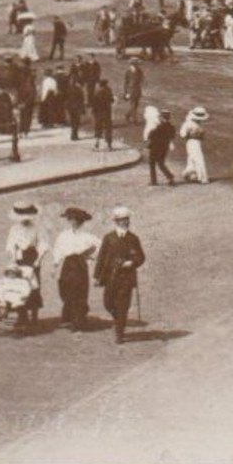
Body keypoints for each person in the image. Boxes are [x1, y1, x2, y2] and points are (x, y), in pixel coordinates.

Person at [94, 206, 146, 344]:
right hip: (111, 277)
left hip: (126, 278)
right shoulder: (109, 238)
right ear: (116, 221)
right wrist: (97, 276)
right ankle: (118, 320)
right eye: (122, 220)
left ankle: (119, 332)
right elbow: (101, 257)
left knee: (123, 305)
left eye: (127, 219)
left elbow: (141, 257)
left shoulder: (133, 238)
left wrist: (131, 263)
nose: (125, 222)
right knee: (108, 302)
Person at [52, 207, 99, 331]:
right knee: (65, 289)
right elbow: (58, 250)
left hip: (79, 265)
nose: (74, 222)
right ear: (68, 220)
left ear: (82, 221)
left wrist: (88, 254)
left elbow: (98, 248)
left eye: (77, 220)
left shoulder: (88, 236)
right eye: (72, 219)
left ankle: (78, 320)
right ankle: (68, 317)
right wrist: (55, 265)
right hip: (67, 265)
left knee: (79, 291)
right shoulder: (63, 236)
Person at [5, 202, 44, 331]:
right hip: (19, 258)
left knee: (33, 286)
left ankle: (34, 316)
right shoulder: (14, 229)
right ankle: (22, 316)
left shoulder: (36, 228)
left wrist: (38, 260)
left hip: (32, 257)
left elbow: (42, 244)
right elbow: (10, 245)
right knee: (18, 287)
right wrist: (13, 258)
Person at [179, 106, 210, 184]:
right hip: (192, 142)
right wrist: (192, 135)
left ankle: (189, 174)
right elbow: (183, 135)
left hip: (194, 142)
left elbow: (183, 135)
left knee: (192, 159)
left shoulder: (194, 123)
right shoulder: (189, 124)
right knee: (199, 159)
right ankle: (203, 178)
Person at [147, 108, 177, 186]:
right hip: (165, 147)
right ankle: (169, 176)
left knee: (152, 162)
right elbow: (172, 136)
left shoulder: (159, 127)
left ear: (162, 117)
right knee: (161, 163)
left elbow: (151, 136)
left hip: (155, 147)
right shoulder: (171, 127)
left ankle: (154, 181)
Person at [90, 79, 116, 150]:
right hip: (107, 113)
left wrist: (93, 111)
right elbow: (112, 100)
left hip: (98, 113)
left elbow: (94, 103)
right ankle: (109, 145)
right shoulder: (109, 91)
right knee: (108, 129)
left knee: (98, 128)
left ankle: (97, 144)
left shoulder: (97, 92)